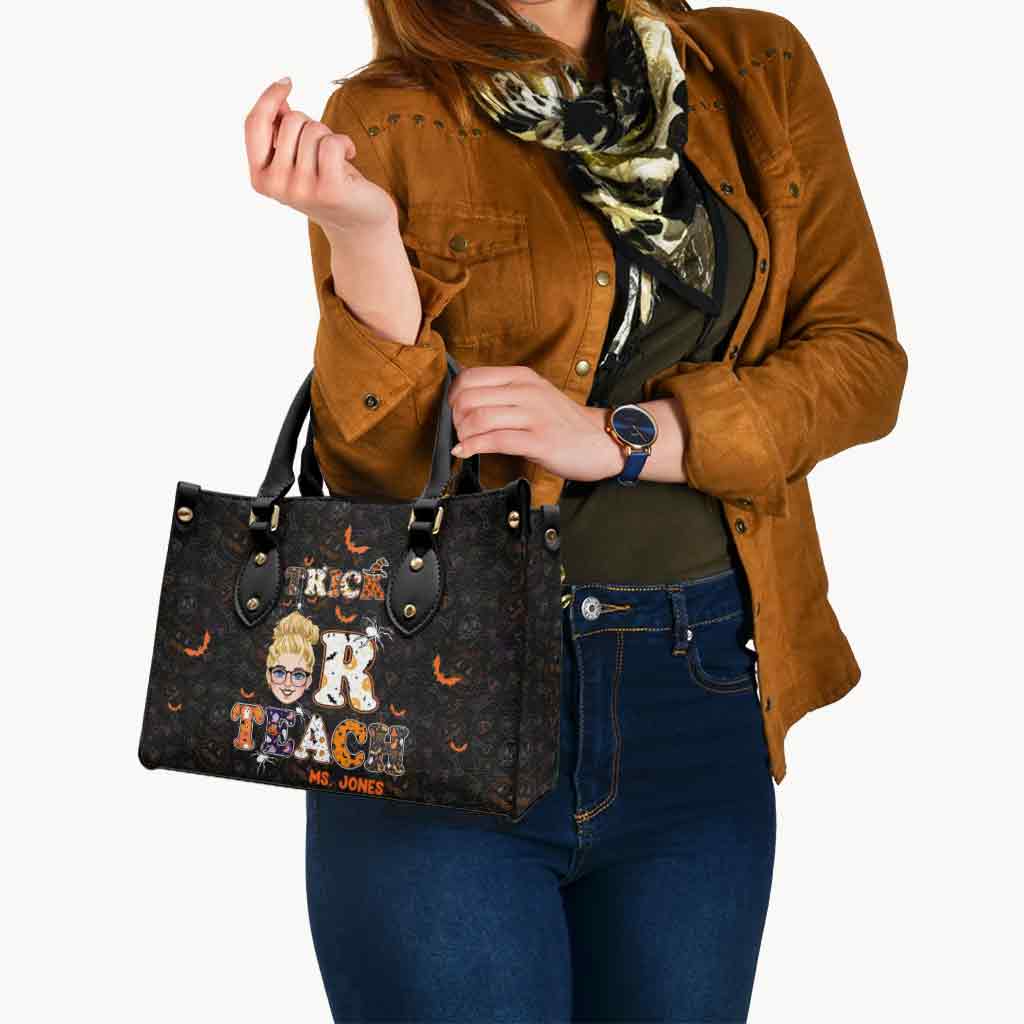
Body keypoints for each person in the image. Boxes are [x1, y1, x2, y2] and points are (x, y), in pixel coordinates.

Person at [243, 1, 907, 1020]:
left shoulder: (754, 69)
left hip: (696, 691)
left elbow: (860, 363)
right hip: (445, 692)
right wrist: (360, 234)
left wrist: (620, 437)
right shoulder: (391, 113)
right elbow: (379, 477)